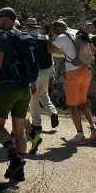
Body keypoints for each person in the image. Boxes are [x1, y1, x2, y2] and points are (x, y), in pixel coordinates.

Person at [0, 7, 32, 182]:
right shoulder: (24, 36)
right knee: (19, 130)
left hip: (7, 87)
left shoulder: (3, 36)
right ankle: (19, 171)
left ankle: (14, 157)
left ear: (6, 19)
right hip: (25, 88)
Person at [49, 20, 96, 145]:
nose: (55, 33)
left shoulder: (61, 37)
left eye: (55, 31)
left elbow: (50, 51)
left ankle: (80, 135)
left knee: (73, 106)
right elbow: (94, 51)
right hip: (86, 71)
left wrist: (50, 38)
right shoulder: (79, 33)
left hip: (73, 73)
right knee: (83, 102)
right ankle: (94, 127)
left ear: (59, 28)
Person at [24, 18, 61, 153]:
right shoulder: (45, 39)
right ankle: (53, 112)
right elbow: (51, 56)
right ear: (37, 27)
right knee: (44, 95)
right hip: (46, 72)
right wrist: (52, 73)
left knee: (34, 99)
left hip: (34, 74)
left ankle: (37, 124)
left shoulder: (27, 39)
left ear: (28, 27)